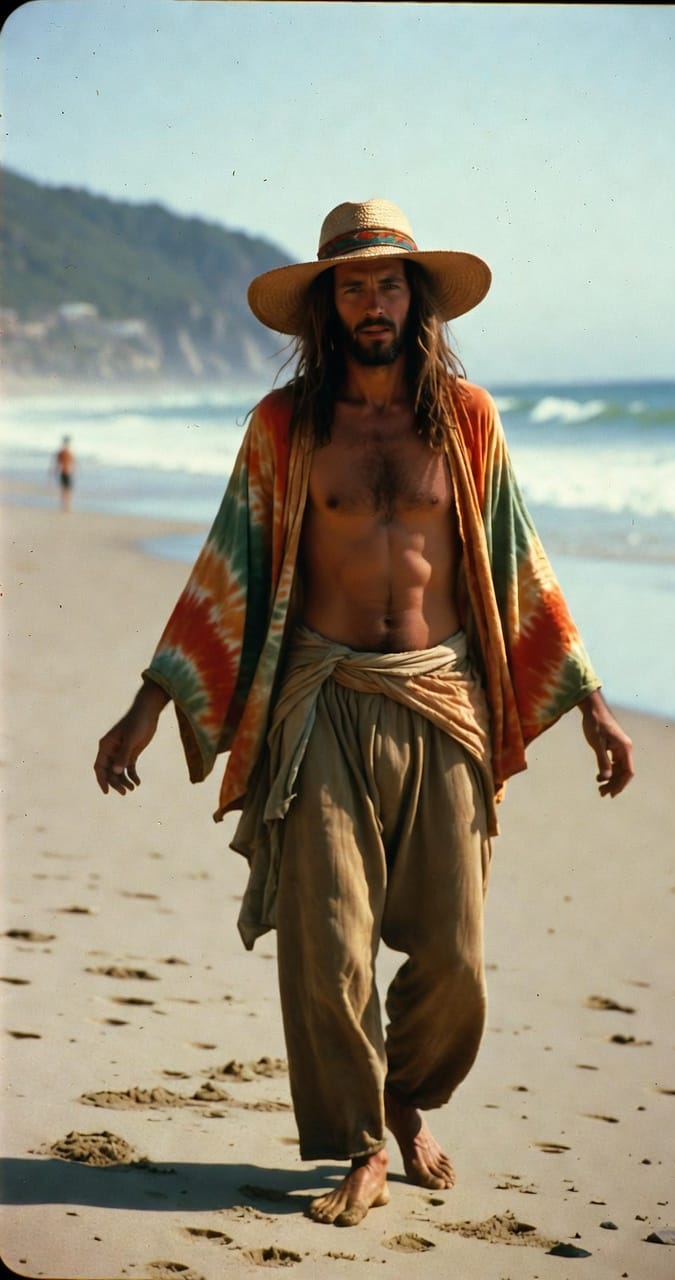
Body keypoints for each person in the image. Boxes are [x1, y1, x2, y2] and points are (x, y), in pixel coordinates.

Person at [94, 198, 634, 1227]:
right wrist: (146, 705)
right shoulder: (287, 428)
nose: (372, 302)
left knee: (456, 955)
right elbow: (228, 565)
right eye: (353, 286)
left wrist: (596, 705)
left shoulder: (467, 421)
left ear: (415, 299)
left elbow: (520, 562)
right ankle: (359, 1138)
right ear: (327, 306)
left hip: (444, 700)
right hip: (323, 698)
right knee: (328, 937)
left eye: (389, 283)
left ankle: (408, 1092)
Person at [52, 435, 75, 512]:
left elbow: (57, 463)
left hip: (64, 472)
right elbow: (72, 462)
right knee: (67, 489)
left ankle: (65, 505)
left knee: (64, 489)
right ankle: (67, 505)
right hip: (67, 472)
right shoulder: (67, 452)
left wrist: (55, 471)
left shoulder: (62, 452)